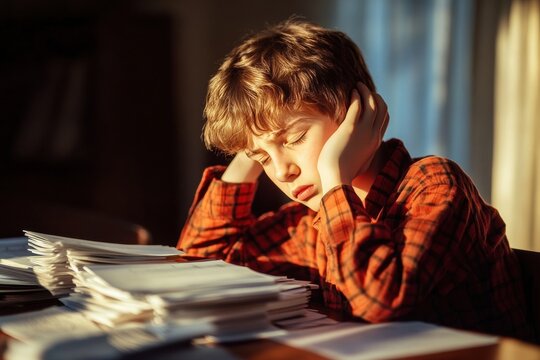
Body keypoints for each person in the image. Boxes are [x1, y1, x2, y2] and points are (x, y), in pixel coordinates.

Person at [177, 19, 533, 341]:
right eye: (265, 159)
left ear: (355, 113)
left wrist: (334, 176)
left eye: (296, 138)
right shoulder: (313, 221)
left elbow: (381, 301)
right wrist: (251, 146)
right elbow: (198, 269)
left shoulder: (435, 184)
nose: (283, 171)